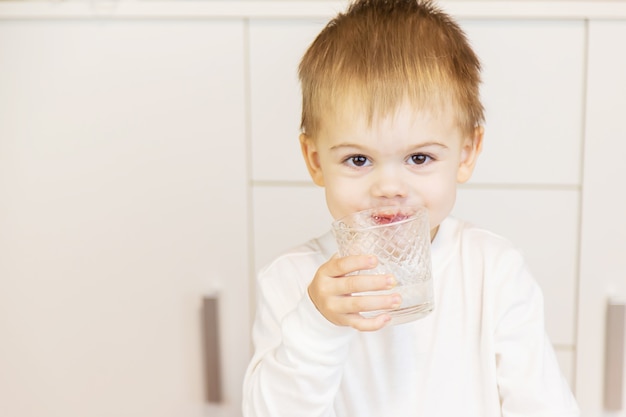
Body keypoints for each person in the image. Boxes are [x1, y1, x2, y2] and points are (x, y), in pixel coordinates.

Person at [242, 0, 580, 416]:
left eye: (419, 158)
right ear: (315, 161)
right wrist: (318, 322)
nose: (389, 187)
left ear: (467, 153)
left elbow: (543, 405)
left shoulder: (494, 271)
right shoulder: (292, 281)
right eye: (358, 160)